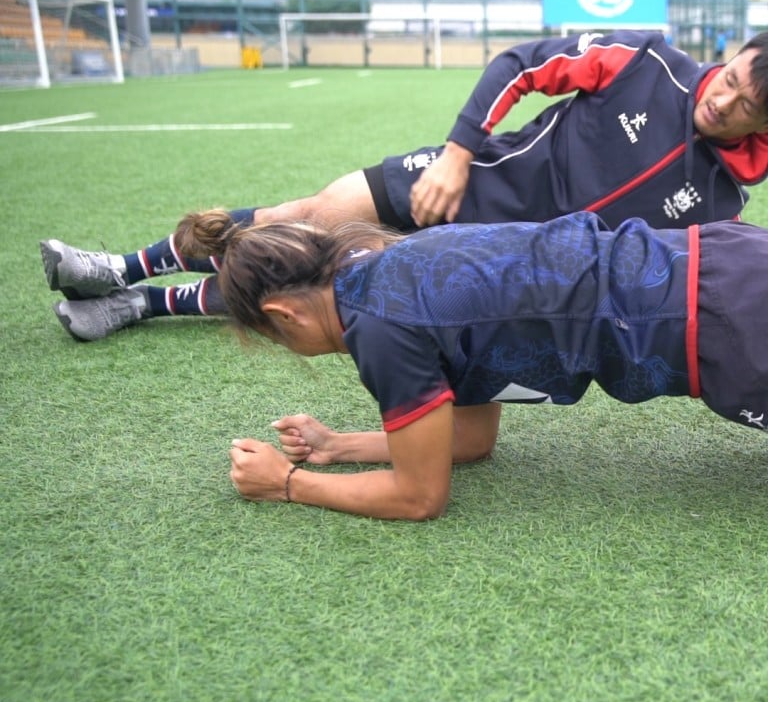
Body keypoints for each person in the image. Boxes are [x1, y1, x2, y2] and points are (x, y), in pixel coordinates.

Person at [42, 29, 768, 341]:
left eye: (746, 105)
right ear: (734, 55)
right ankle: (122, 266)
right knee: (316, 215)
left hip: (502, 265)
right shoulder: (649, 60)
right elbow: (521, 64)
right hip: (466, 180)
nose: (724, 99)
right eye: (732, 76)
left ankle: (143, 304)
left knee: (319, 285)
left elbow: (645, 274)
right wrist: (457, 153)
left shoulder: (725, 202)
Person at [176, 208, 768, 521]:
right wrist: (336, 448)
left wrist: (287, 483)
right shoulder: (395, 260)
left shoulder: (379, 327)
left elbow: (419, 497)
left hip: (725, 327)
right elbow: (471, 438)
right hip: (717, 254)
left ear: (285, 315)